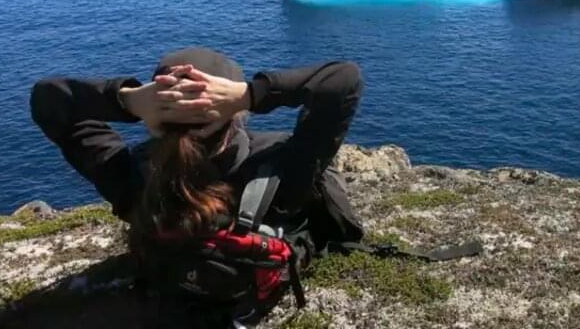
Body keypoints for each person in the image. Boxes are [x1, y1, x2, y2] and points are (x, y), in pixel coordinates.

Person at [30, 47, 364, 325]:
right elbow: (343, 80)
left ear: (154, 120)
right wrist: (250, 94)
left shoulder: (131, 179)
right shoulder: (279, 172)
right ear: (235, 115)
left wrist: (127, 100)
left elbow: (48, 100)